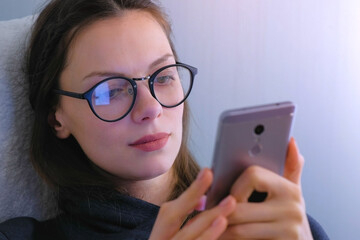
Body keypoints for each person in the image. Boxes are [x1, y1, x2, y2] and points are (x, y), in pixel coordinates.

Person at [0, 0, 329, 239]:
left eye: (163, 76)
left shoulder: (277, 223)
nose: (151, 108)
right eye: (109, 91)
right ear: (57, 119)